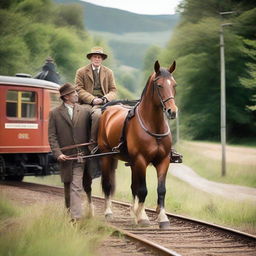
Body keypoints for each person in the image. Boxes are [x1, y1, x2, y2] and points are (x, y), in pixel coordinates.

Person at [48, 82, 90, 221]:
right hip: (65, 157)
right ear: (66, 97)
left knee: (76, 186)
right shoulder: (54, 113)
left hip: (80, 156)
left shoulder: (84, 110)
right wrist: (58, 153)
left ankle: (77, 218)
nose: (77, 95)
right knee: (67, 185)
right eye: (74, 93)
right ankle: (69, 215)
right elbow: (52, 136)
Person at [75, 46, 117, 153]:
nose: (97, 59)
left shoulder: (109, 72)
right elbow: (78, 89)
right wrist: (92, 99)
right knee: (94, 115)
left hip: (104, 102)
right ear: (91, 58)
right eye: (95, 57)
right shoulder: (81, 72)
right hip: (87, 103)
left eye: (99, 57)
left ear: (102, 59)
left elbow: (113, 90)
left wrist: (104, 98)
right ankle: (92, 143)